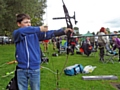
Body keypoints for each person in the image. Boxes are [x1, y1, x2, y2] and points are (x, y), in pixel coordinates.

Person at [12, 13, 73, 90]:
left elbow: (49, 33)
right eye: (26, 22)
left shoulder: (35, 34)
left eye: (29, 22)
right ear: (18, 24)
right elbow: (22, 32)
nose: (29, 24)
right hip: (21, 68)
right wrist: (39, 28)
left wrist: (63, 31)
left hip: (35, 68)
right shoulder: (17, 33)